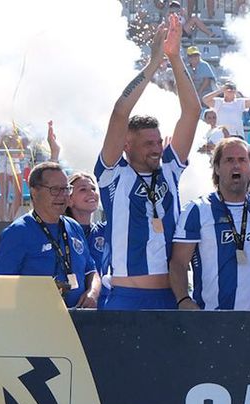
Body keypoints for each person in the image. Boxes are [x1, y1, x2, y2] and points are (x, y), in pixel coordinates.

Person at [96, 22, 201, 310]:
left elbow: (192, 112)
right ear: (127, 146)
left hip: (169, 297)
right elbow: (121, 112)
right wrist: (153, 64)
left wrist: (175, 58)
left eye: (158, 142)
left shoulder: (169, 168)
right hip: (126, 298)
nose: (157, 148)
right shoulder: (113, 175)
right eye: (148, 144)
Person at [170, 137, 250, 309]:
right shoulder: (197, 210)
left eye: (242, 160)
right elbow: (178, 263)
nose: (236, 165)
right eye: (229, 160)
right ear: (217, 168)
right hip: (212, 320)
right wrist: (184, 300)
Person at [0, 162, 100, 309]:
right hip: (37, 322)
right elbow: (0, 287)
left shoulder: (73, 226)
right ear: (34, 192)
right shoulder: (17, 233)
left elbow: (91, 271)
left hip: (78, 319)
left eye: (66, 189)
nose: (62, 195)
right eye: (55, 189)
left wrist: (92, 293)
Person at [65, 172, 110, 308]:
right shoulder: (61, 231)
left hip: (101, 305)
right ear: (69, 200)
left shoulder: (106, 230)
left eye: (93, 189)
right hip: (69, 305)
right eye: (83, 189)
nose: (91, 193)